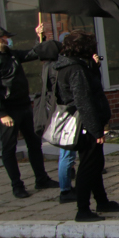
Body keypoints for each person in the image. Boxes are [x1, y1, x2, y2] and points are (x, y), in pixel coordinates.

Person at [0, 25, 60, 198]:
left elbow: (33, 53)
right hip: (7, 111)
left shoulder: (11, 55)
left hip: (24, 106)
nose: (9, 40)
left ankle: (41, 179)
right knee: (9, 148)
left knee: (34, 144)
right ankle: (17, 185)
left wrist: (40, 37)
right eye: (6, 38)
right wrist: (2, 113)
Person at [53, 31, 119, 222]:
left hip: (88, 123)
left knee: (96, 164)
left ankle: (102, 201)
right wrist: (95, 129)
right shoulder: (75, 69)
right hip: (85, 125)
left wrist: (93, 67)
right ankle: (83, 209)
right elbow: (83, 100)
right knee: (88, 166)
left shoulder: (75, 65)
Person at [34, 27, 77, 204]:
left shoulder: (47, 66)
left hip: (57, 111)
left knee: (66, 152)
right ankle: (65, 189)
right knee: (67, 153)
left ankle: (67, 184)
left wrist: (41, 37)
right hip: (64, 111)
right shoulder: (58, 67)